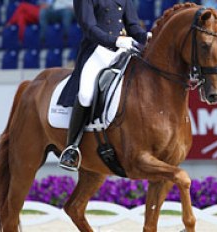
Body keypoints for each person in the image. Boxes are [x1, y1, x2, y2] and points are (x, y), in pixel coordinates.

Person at [58, 0, 152, 171]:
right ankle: (72, 147)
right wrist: (115, 41)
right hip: (97, 50)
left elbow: (132, 25)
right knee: (86, 94)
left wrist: (145, 36)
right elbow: (89, 28)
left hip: (124, 50)